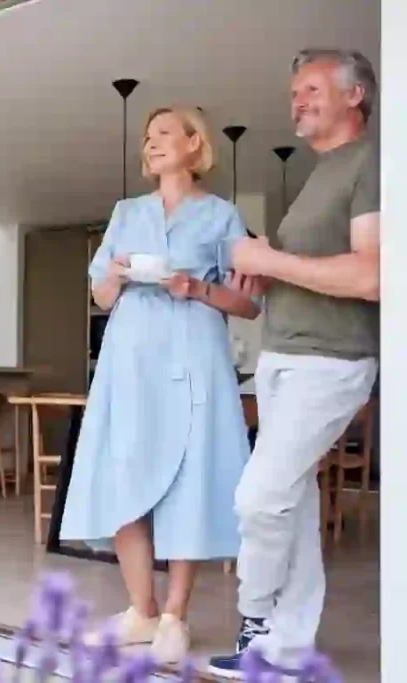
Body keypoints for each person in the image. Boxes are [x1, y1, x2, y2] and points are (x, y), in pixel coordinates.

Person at [59, 106, 262, 664]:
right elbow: (100, 295)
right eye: (147, 137)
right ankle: (141, 610)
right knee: (125, 472)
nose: (150, 145)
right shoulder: (125, 213)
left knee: (189, 478)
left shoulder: (223, 216)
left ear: (196, 145)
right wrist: (119, 273)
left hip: (195, 355)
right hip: (129, 359)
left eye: (164, 134)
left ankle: (175, 615)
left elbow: (247, 302)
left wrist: (195, 287)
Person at [207, 48, 380, 679]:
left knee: (260, 497)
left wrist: (270, 261)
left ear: (355, 95)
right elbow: (309, 272)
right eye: (293, 95)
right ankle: (288, 647)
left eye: (310, 90)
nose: (296, 103)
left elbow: (373, 274)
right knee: (294, 503)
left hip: (331, 360)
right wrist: (259, 274)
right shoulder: (320, 173)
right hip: (284, 354)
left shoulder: (374, 161)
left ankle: (255, 618)